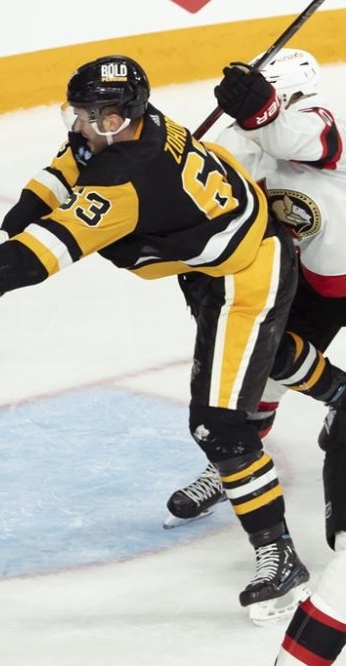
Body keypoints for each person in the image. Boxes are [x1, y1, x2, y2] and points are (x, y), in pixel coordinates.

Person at [0, 53, 309, 623]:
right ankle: (336, 394)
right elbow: (57, 178)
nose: (85, 125)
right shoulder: (117, 132)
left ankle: (278, 555)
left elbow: (51, 248)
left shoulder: (126, 177)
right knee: (260, 363)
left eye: (99, 116)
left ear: (126, 116)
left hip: (247, 277)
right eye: (82, 112)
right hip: (208, 262)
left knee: (220, 423)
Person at [151, 49, 346, 658]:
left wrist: (264, 110)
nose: (259, 116)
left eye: (267, 103)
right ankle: (251, 454)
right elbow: (217, 172)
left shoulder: (318, 122)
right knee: (260, 377)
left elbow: (295, 135)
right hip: (311, 282)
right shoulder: (252, 136)